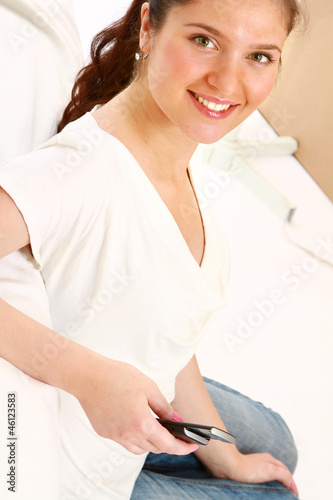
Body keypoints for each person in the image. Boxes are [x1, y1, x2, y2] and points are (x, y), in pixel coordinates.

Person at [0, 0, 303, 498]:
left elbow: (166, 323)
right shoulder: (83, 170)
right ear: (148, 28)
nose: (227, 84)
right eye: (204, 41)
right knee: (277, 492)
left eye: (259, 56)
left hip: (130, 416)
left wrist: (223, 457)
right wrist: (87, 378)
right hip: (75, 472)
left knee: (277, 442)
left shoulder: (177, 143)